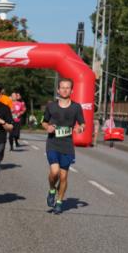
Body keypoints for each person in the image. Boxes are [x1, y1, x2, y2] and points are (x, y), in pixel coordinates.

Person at [42, 78, 86, 214]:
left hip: (67, 145)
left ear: (72, 90)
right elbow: (44, 122)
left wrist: (80, 129)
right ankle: (51, 189)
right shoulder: (51, 106)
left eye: (68, 88)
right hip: (53, 143)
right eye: (62, 87)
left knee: (63, 176)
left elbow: (83, 123)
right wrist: (48, 127)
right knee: (54, 172)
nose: (65, 90)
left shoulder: (76, 107)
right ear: (58, 90)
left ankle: (59, 202)